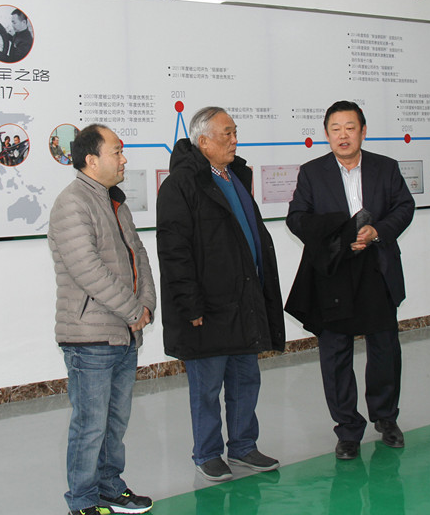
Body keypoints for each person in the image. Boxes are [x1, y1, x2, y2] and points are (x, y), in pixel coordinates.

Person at [156, 106, 285, 481]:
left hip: (244, 301)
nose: (234, 140)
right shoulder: (181, 185)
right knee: (207, 386)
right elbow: (174, 251)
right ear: (203, 141)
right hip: (207, 308)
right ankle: (207, 452)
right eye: (226, 133)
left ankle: (243, 446)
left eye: (234, 132)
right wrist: (190, 304)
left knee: (246, 379)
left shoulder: (235, 177)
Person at [285, 100, 414, 460]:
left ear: (363, 131)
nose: (343, 135)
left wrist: (377, 231)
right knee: (336, 353)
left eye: (350, 128)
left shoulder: (386, 168)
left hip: (376, 267)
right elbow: (296, 218)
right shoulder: (312, 173)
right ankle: (347, 429)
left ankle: (386, 418)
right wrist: (337, 235)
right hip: (334, 271)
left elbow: (405, 207)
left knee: (385, 349)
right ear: (326, 134)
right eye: (336, 129)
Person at [48, 124, 156, 515]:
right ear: (91, 160)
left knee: (115, 422)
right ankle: (81, 500)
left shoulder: (115, 203)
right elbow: (87, 269)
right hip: (90, 336)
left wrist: (146, 305)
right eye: (117, 152)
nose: (124, 159)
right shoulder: (72, 203)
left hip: (123, 333)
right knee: (90, 424)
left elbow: (138, 256)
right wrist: (133, 310)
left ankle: (110, 487)